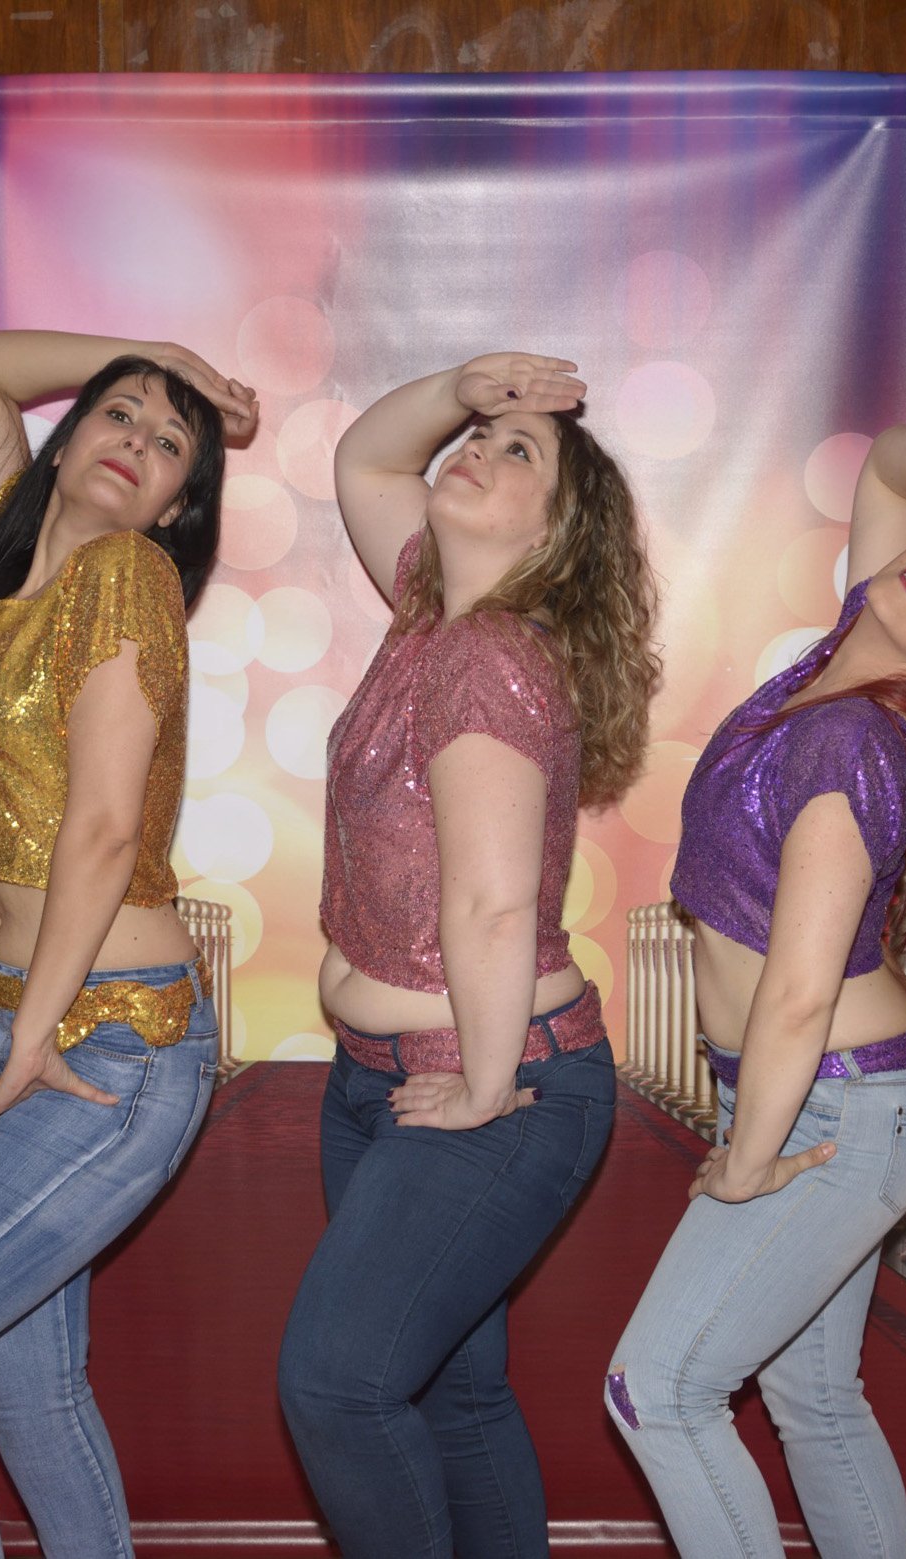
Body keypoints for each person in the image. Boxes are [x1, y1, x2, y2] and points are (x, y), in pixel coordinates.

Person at [607, 424, 906, 1558]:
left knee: (658, 1388)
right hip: (834, 1092)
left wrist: (746, 1158)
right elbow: (888, 469)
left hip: (832, 1099)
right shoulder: (849, 655)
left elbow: (797, 991)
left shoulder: (850, 740)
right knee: (814, 1399)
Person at [0, 328, 256, 1558]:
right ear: (64, 443)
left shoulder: (126, 571)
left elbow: (105, 829)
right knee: (28, 1381)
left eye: (170, 443)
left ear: (176, 505)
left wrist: (29, 1036)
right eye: (119, 413)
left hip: (104, 1041)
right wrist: (157, 353)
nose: (138, 440)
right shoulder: (15, 561)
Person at [277, 353, 661, 1558]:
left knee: (337, 1385)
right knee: (454, 1391)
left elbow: (492, 905)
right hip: (387, 1077)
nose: (477, 446)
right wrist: (473, 384)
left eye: (517, 451)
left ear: (557, 535)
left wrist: (488, 1087)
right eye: (480, 436)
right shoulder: (428, 614)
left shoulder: (487, 651)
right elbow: (366, 457)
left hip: (492, 1076)